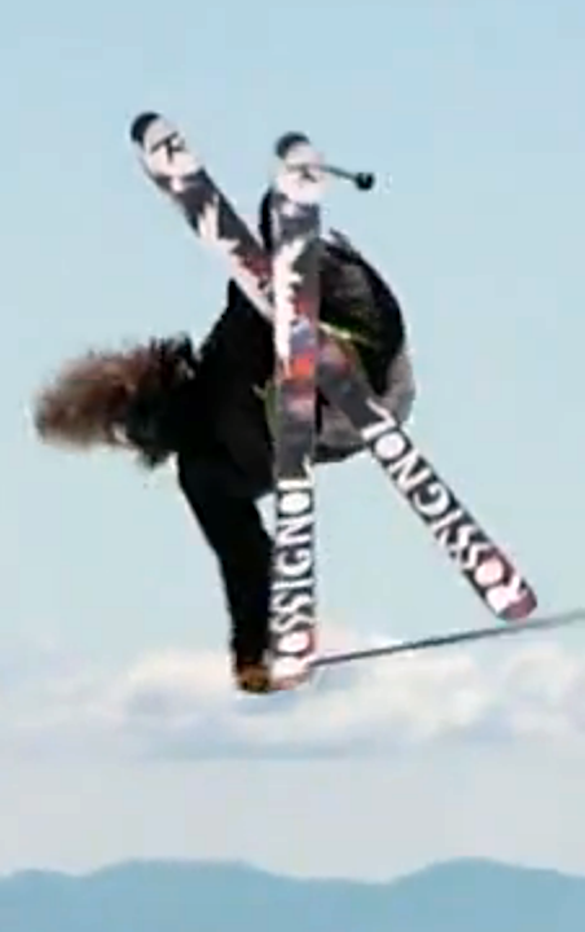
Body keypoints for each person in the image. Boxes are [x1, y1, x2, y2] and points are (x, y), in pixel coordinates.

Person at [32, 175, 415, 692]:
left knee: (253, 330)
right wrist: (256, 651)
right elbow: (245, 561)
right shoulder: (204, 472)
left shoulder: (226, 352)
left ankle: (325, 356)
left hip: (363, 330)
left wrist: (281, 211)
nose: (135, 435)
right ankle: (312, 378)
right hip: (347, 411)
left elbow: (254, 280)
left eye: (126, 421)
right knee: (247, 401)